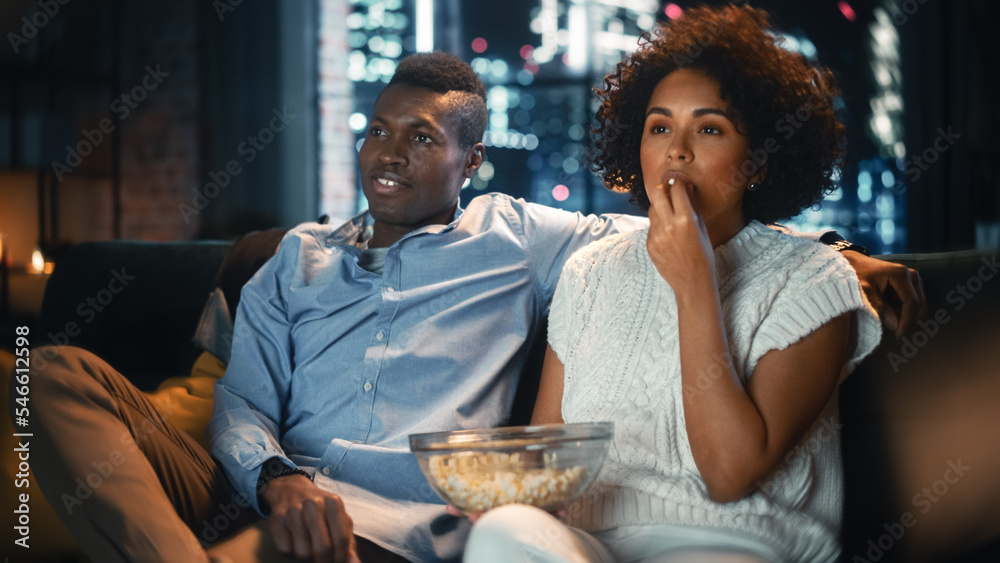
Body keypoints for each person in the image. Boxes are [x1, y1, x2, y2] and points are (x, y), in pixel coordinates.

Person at [21, 50, 920, 563]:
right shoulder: (295, 259)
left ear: (469, 162)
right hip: (263, 493)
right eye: (377, 128)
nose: (389, 152)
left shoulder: (524, 240)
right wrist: (273, 479)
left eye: (421, 138)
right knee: (50, 373)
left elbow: (679, 218)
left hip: (392, 530)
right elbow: (242, 404)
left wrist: (838, 252)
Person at [464, 6, 883, 562]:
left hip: (734, 544)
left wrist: (695, 284)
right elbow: (551, 456)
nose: (677, 150)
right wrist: (503, 493)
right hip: (592, 545)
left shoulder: (812, 279)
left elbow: (730, 475)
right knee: (503, 532)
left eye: (709, 129)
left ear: (758, 160)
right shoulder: (590, 271)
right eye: (659, 127)